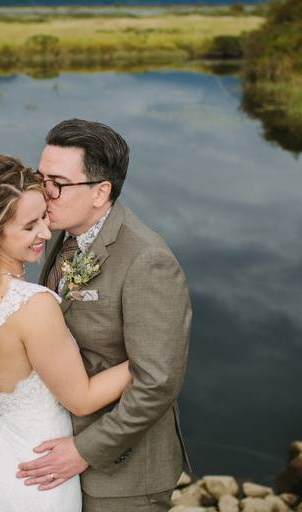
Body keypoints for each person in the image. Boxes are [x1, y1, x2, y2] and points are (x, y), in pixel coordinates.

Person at [16, 118, 192, 512]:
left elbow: (158, 382)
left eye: (57, 183)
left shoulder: (148, 262)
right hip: (60, 444)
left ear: (101, 192)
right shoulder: (59, 234)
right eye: (40, 178)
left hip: (123, 474)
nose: (44, 194)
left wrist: (84, 450)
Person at [0, 154, 132, 512]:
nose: (46, 233)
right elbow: (81, 398)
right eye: (29, 226)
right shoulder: (34, 305)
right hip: (35, 474)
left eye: (44, 217)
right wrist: (145, 361)